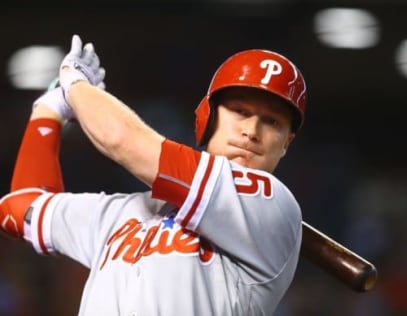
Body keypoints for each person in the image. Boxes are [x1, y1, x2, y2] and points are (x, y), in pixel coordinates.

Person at [0, 34, 307, 315]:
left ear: (286, 143)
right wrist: (49, 110)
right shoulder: (123, 213)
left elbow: (122, 139)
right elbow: (20, 208)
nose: (251, 132)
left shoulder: (272, 204)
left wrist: (75, 87)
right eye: (240, 111)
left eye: (272, 122)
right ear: (208, 116)